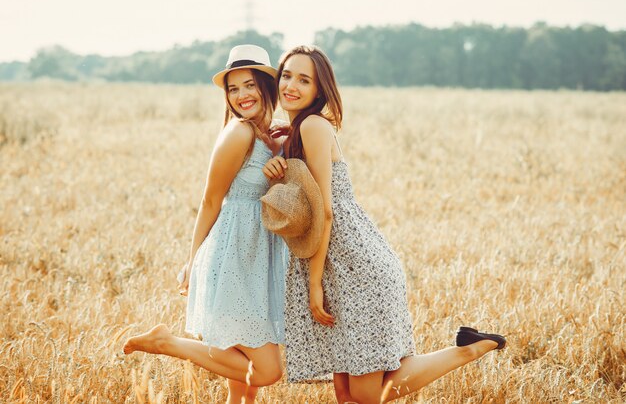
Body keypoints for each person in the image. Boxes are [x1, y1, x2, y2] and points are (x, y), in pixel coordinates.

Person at [261, 45, 506, 404]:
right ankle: (471, 345)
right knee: (345, 393)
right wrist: (276, 162)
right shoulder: (298, 129)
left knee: (366, 393)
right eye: (286, 75)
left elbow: (325, 211)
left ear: (320, 89)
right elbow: (301, 198)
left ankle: (472, 349)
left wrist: (314, 283)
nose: (291, 85)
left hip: (355, 266)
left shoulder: (313, 125)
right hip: (336, 265)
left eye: (304, 79)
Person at [123, 44, 288, 404]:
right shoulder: (239, 133)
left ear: (266, 86)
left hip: (255, 260)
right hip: (232, 260)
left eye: (248, 85)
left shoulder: (269, 133)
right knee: (267, 370)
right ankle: (167, 343)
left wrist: (280, 155)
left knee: (243, 385)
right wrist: (192, 260)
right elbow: (211, 200)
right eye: (233, 88)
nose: (241, 95)